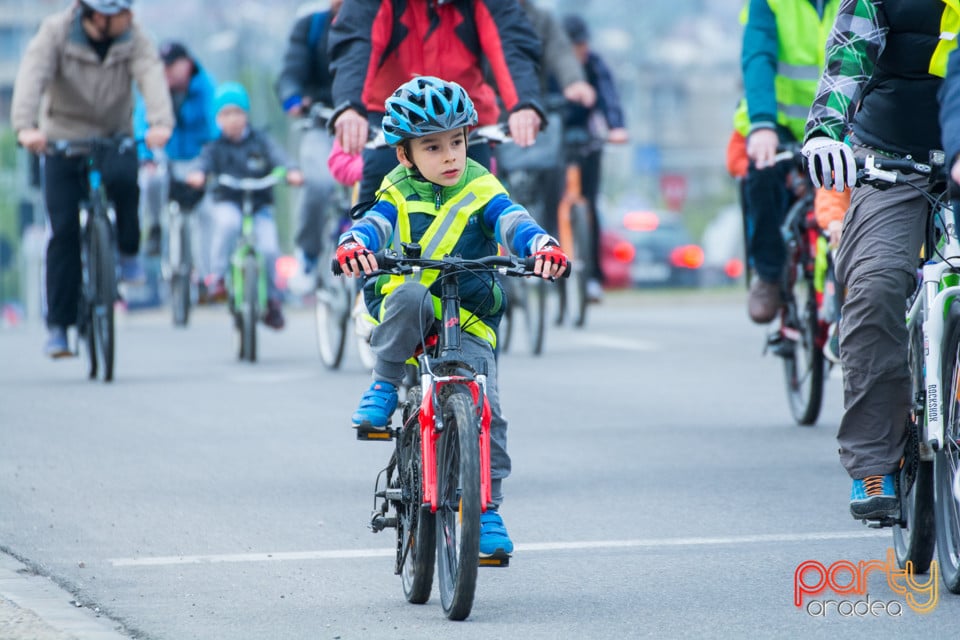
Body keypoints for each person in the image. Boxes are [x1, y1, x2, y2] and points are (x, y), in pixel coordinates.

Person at [335, 76, 569, 557]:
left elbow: (513, 221)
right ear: (405, 155)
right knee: (411, 297)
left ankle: (486, 512)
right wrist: (355, 245)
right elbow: (374, 225)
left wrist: (542, 246)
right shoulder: (395, 188)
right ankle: (383, 383)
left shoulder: (482, 185)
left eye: (458, 142)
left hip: (471, 311)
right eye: (433, 146)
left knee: (490, 411)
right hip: (411, 305)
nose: (450, 156)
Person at [802, 0, 948, 523]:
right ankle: (873, 462)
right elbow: (847, 61)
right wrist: (825, 131)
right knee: (875, 286)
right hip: (893, 160)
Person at [10, 0, 173, 358]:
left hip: (113, 133)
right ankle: (59, 327)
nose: (130, 17)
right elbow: (32, 74)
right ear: (98, 16)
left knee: (127, 181)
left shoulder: (133, 36)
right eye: (122, 12)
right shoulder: (55, 32)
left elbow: (150, 73)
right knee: (64, 230)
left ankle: (128, 251)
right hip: (61, 138)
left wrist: (160, 121)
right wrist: (26, 127)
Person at [326, 0, 546, 205]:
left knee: (482, 195)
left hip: (463, 118)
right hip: (390, 115)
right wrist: (351, 106)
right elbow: (357, 41)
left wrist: (523, 102)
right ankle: (361, 242)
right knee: (379, 180)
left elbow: (509, 39)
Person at [738, 0, 839, 324]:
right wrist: (763, 124)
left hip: (839, 119)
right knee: (762, 173)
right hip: (779, 122)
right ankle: (768, 275)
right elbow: (758, 57)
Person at [185, 82, 304, 330]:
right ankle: (216, 278)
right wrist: (198, 174)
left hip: (259, 205)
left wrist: (291, 170)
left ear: (246, 115)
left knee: (270, 248)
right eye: (226, 114)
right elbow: (203, 163)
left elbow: (279, 157)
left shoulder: (261, 141)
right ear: (218, 118)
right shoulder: (214, 146)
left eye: (237, 112)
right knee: (227, 225)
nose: (233, 120)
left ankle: (273, 299)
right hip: (228, 202)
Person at [561, 14, 629, 302]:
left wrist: (616, 126)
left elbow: (609, 97)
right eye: (576, 45)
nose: (582, 50)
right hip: (555, 138)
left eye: (584, 43)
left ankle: (593, 278)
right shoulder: (550, 65)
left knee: (589, 205)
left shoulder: (594, 64)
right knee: (549, 198)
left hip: (588, 140)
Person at [275, 0, 343, 277]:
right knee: (318, 184)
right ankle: (309, 251)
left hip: (370, 124)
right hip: (321, 121)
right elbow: (291, 69)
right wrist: (293, 97)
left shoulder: (378, 15)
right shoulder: (312, 23)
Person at [134, 39, 218, 259]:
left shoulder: (205, 88)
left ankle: (206, 276)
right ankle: (153, 228)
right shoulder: (156, 91)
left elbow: (215, 127)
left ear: (188, 64)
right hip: (166, 157)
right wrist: (147, 157)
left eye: (172, 65)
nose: (167, 71)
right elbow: (142, 124)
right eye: (164, 65)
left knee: (209, 212)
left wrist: (208, 165)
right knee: (149, 180)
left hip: (197, 158)